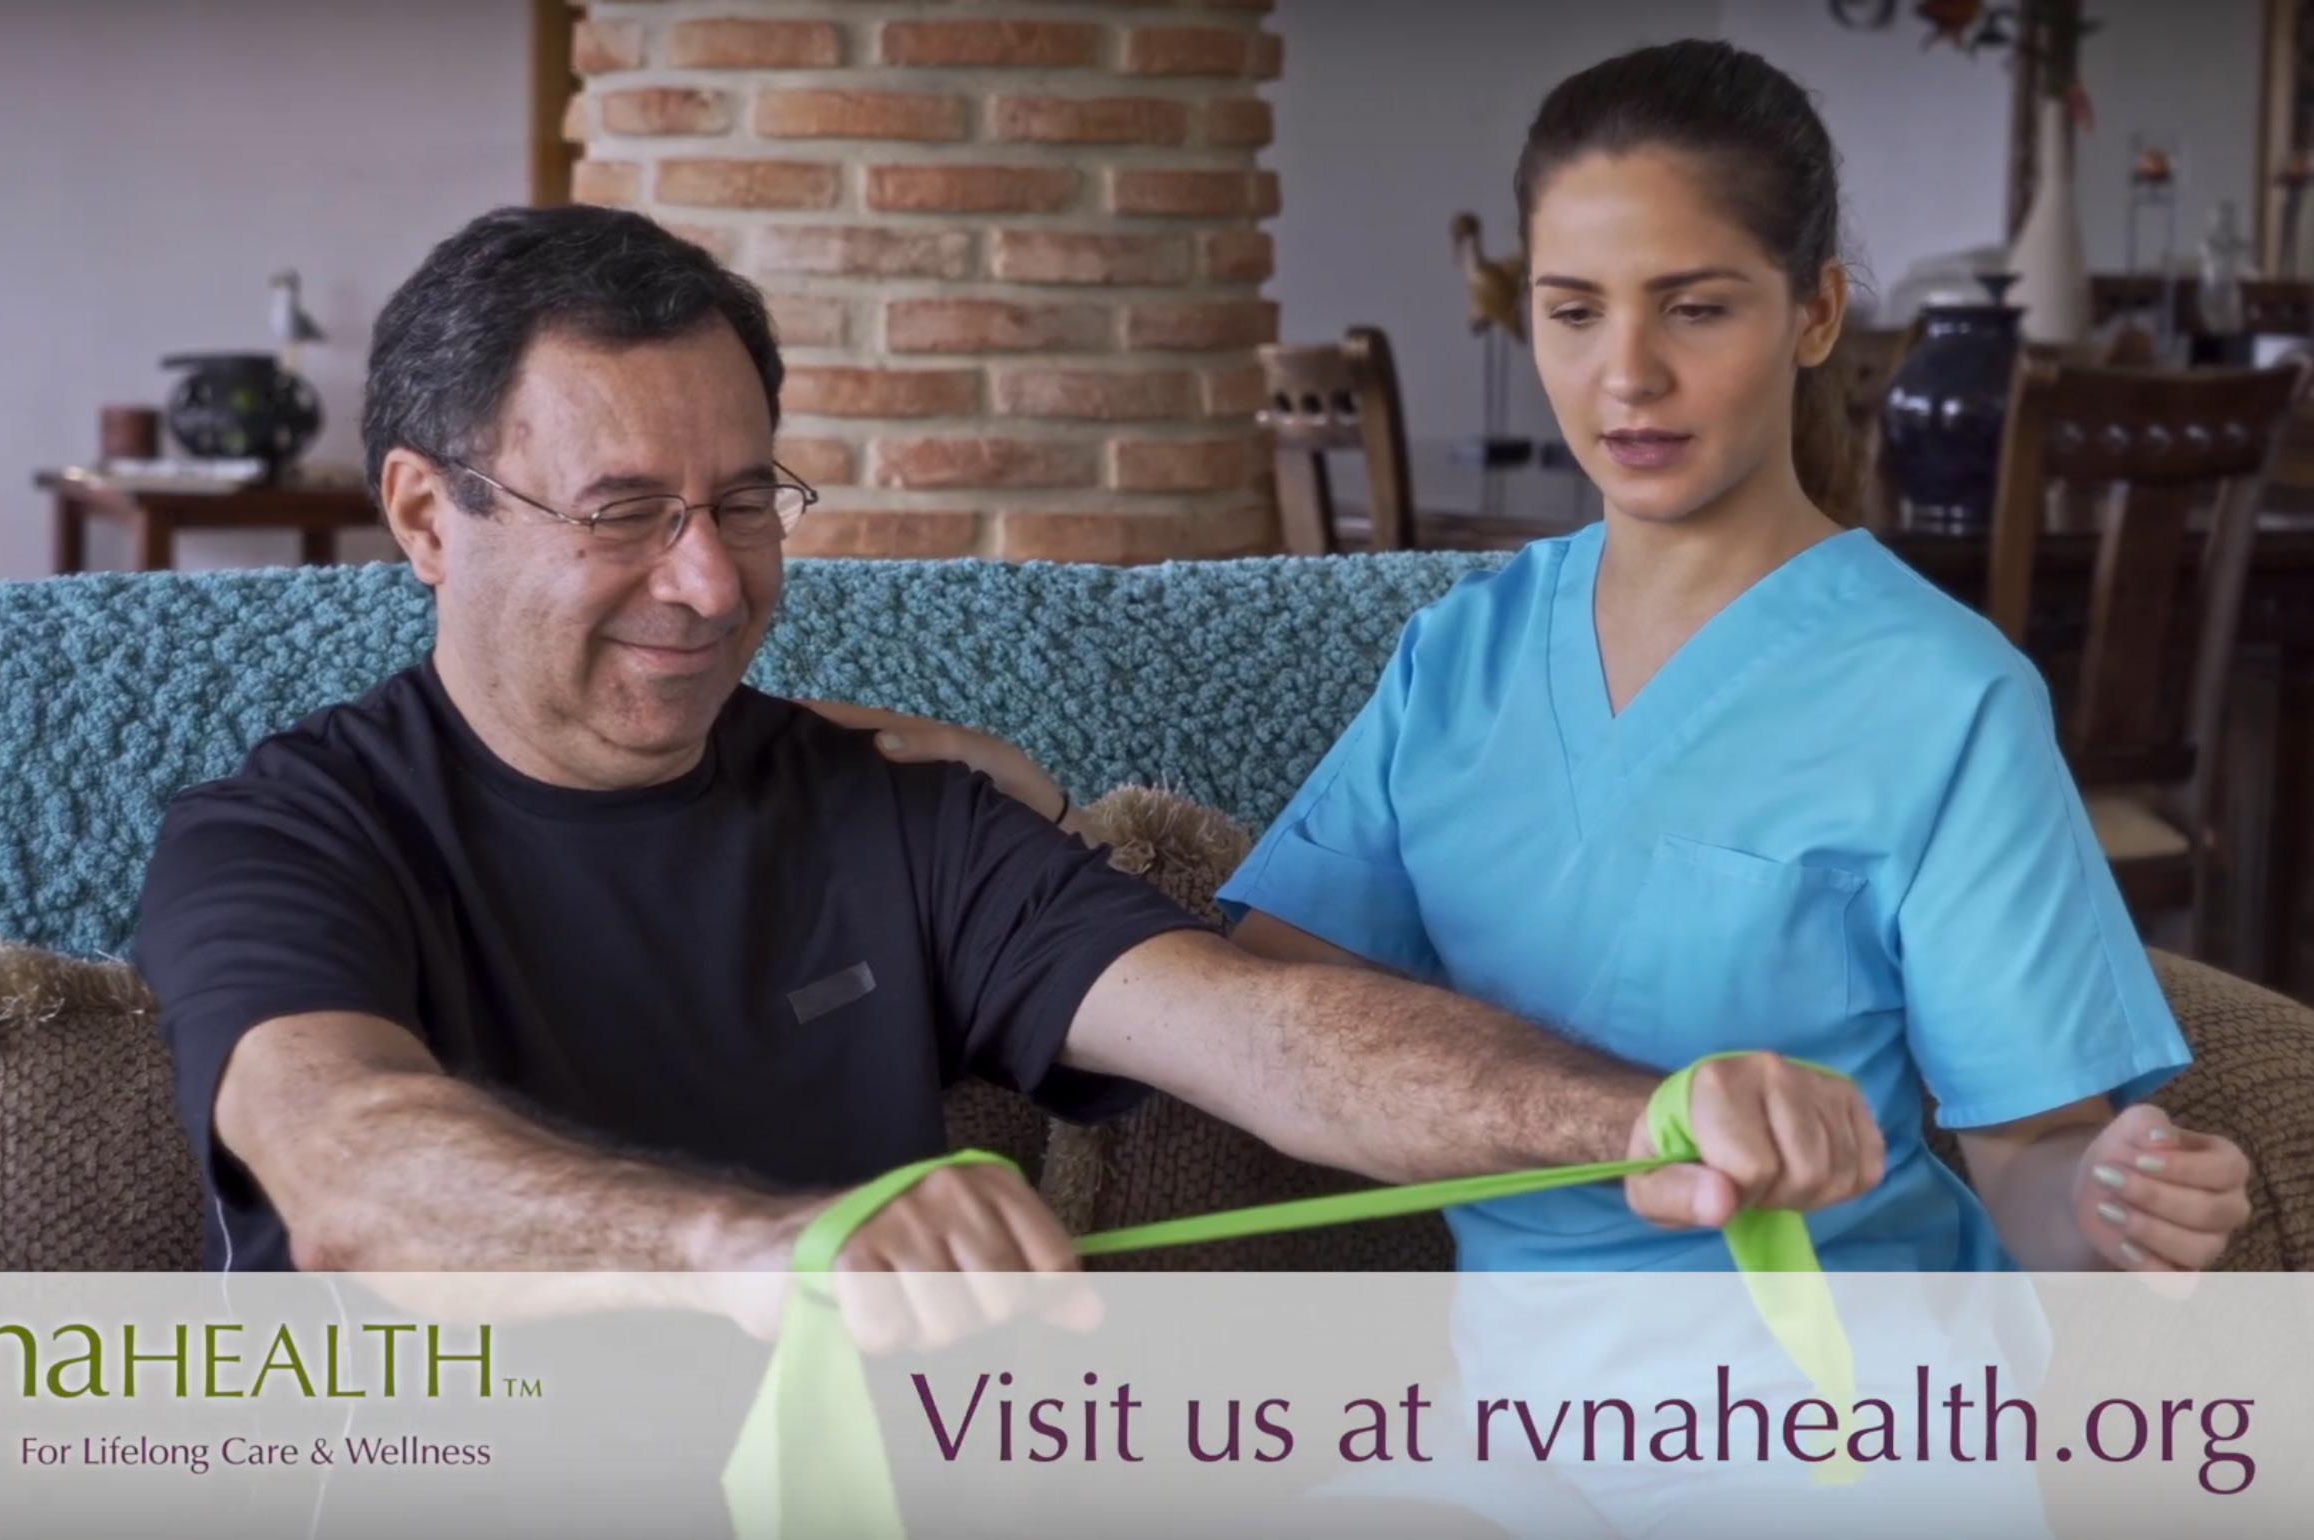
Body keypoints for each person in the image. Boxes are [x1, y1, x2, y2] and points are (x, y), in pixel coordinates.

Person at [131, 204, 1884, 1343]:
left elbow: (1266, 1034)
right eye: (624, 512)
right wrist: (749, 1251)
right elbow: (349, 1167)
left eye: (744, 502)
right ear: (429, 517)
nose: (710, 583)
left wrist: (1644, 1114)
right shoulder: (285, 838)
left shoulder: (887, 806)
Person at [867, 40, 2252, 1276]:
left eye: (1695, 308)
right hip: (1519, 1423)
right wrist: (1042, 827)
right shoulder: (1462, 654)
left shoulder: (1945, 697)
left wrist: (2115, 1200)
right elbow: (1265, 1017)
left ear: (1817, 313)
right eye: (1575, 310)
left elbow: (2034, 1166)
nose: (1625, 375)